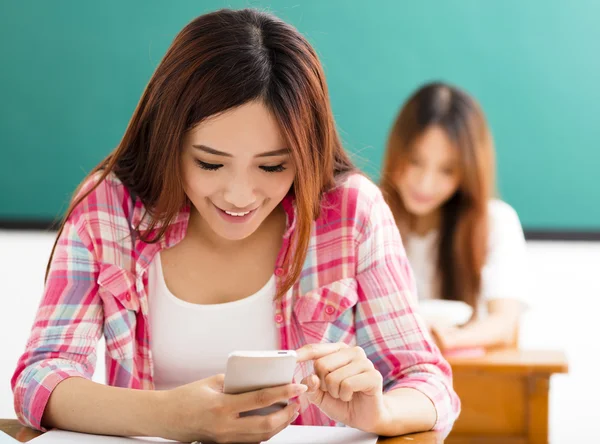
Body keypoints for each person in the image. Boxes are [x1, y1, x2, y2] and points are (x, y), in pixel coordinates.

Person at [12, 10, 459, 443]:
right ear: (169, 141)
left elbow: (426, 379)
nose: (240, 195)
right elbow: (40, 376)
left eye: (272, 166)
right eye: (210, 163)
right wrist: (170, 417)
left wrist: (382, 410)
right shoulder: (108, 209)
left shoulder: (351, 212)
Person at [380, 82, 528, 354]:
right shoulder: (367, 212)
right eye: (414, 161)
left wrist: (445, 341)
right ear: (396, 150)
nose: (425, 183)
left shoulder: (495, 221)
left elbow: (505, 323)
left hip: (464, 378)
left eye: (447, 170)